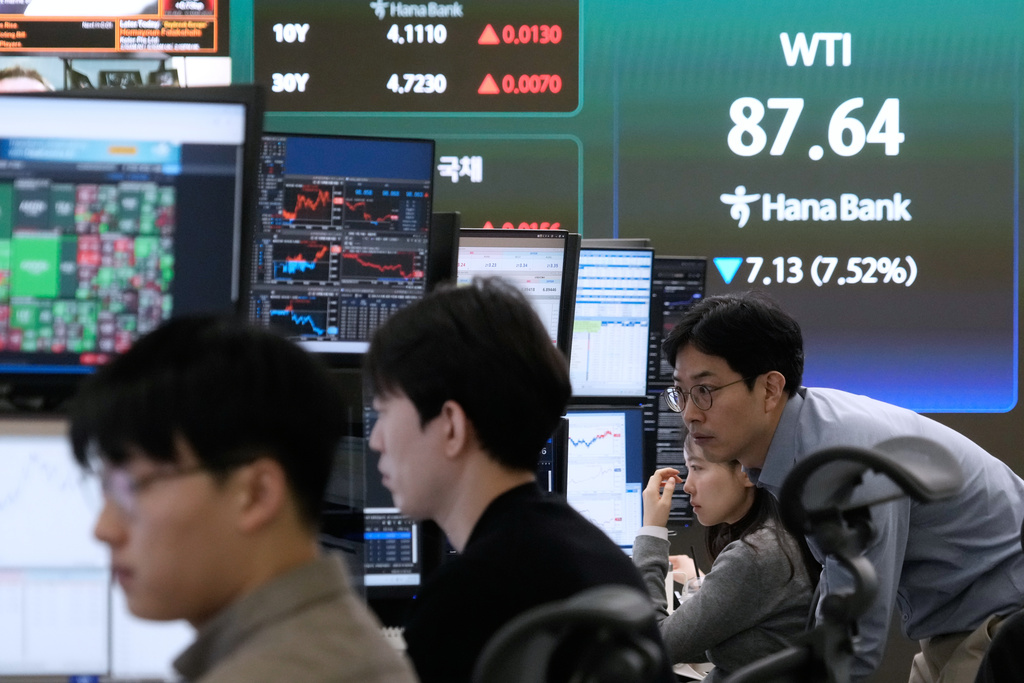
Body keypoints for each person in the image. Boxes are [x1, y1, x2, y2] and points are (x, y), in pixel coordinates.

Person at [662, 290, 1024, 683]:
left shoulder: (838, 462)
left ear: (769, 389)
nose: (690, 414)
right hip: (960, 624)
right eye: (681, 393)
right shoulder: (799, 440)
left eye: (705, 391)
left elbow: (852, 646)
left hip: (1002, 622)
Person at [68, 316, 417, 683]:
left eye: (133, 487)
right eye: (104, 489)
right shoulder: (342, 648)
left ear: (256, 494)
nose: (103, 529)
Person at [365, 277, 673, 683]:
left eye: (385, 412)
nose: (375, 439)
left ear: (451, 426)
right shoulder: (600, 558)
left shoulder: (463, 601)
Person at [633, 442, 815, 681]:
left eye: (697, 468)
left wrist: (652, 530)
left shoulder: (755, 555)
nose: (687, 486)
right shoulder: (783, 536)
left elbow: (652, 644)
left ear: (746, 471)